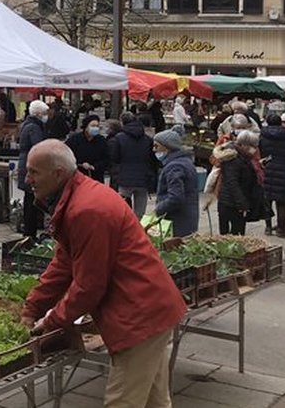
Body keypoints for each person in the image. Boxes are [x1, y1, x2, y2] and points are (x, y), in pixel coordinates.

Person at [21, 140, 186, 408]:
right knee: (154, 401)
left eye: (33, 172)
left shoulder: (86, 209)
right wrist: (33, 307)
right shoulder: (79, 198)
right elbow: (64, 263)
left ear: (58, 174)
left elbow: (89, 285)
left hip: (138, 314)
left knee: (122, 402)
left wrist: (51, 321)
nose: (27, 179)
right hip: (150, 307)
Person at [152, 129, 199, 237]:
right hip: (187, 219)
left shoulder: (174, 167)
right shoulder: (185, 162)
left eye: (156, 146)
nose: (154, 150)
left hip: (177, 221)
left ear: (167, 147)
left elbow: (176, 197)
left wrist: (157, 210)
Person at [260, 113, 285, 238]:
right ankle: (281, 229)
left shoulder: (263, 135)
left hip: (267, 168)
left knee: (267, 200)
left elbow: (261, 152)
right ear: (280, 123)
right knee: (282, 202)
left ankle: (268, 227)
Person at [109, 112, 156, 218]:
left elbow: (114, 158)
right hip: (143, 179)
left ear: (122, 122)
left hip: (124, 178)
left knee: (123, 211)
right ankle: (138, 227)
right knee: (140, 213)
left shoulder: (119, 138)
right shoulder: (147, 139)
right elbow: (152, 159)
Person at [209, 139, 258, 235]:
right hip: (231, 203)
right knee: (234, 233)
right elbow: (232, 183)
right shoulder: (234, 159)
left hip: (229, 200)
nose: (254, 150)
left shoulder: (241, 157)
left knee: (229, 233)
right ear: (244, 145)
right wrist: (242, 203)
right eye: (252, 146)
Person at [18, 100, 49, 237]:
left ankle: (29, 232)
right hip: (31, 165)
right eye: (44, 113)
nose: (46, 116)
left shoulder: (27, 124)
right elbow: (38, 146)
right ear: (38, 113)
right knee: (31, 200)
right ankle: (30, 233)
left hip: (26, 163)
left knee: (29, 199)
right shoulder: (34, 127)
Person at [65, 115, 110, 183]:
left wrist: (94, 167)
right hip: (78, 176)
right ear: (86, 127)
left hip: (96, 177)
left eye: (97, 126)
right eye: (93, 126)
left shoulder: (101, 140)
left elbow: (106, 158)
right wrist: (79, 164)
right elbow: (67, 155)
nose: (95, 128)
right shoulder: (75, 139)